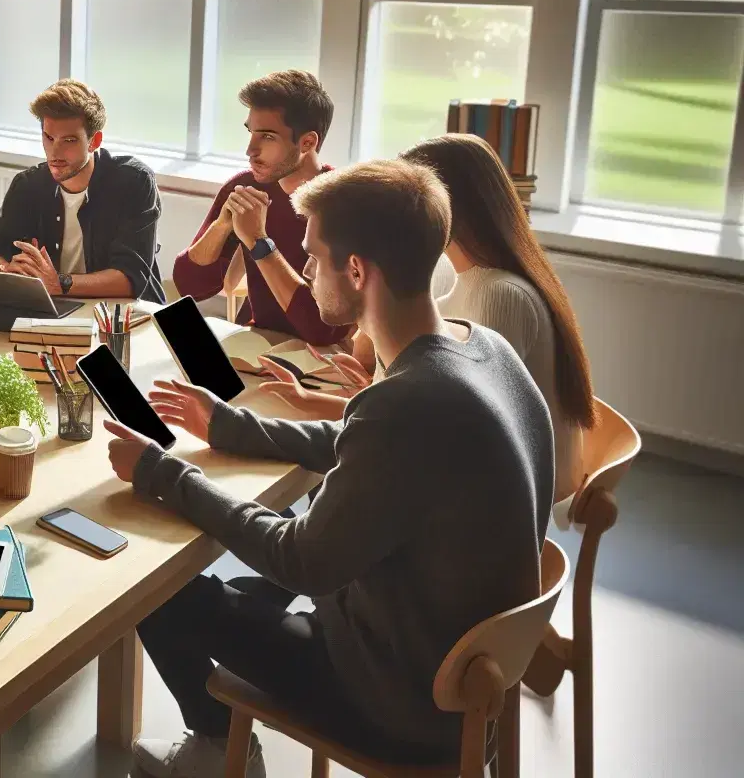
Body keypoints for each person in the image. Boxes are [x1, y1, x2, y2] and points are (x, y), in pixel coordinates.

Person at [109, 159, 552, 778]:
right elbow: (361, 439)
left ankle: (215, 747)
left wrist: (163, 473)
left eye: (313, 256)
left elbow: (302, 561)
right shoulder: (482, 349)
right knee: (228, 586)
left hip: (396, 700)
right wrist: (230, 426)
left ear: (356, 270)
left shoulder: (408, 401)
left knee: (151, 590)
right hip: (446, 662)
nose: (306, 270)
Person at [261, 134, 597, 507]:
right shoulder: (449, 274)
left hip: (495, 503)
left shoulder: (498, 294)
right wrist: (340, 397)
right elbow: (422, 402)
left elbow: (456, 430)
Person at [172, 70, 352, 347]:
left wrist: (259, 242)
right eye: (251, 133)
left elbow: (322, 330)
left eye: (267, 137)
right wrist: (222, 226)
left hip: (323, 358)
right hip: (259, 344)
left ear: (307, 142)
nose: (250, 150)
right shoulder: (246, 187)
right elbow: (191, 288)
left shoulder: (344, 203)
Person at [0, 79, 165, 301]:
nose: (55, 152)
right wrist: (7, 271)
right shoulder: (28, 185)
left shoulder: (134, 182)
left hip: (125, 314)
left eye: (69, 140)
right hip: (57, 308)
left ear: (94, 141)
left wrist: (59, 282)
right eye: (49, 138)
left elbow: (131, 279)